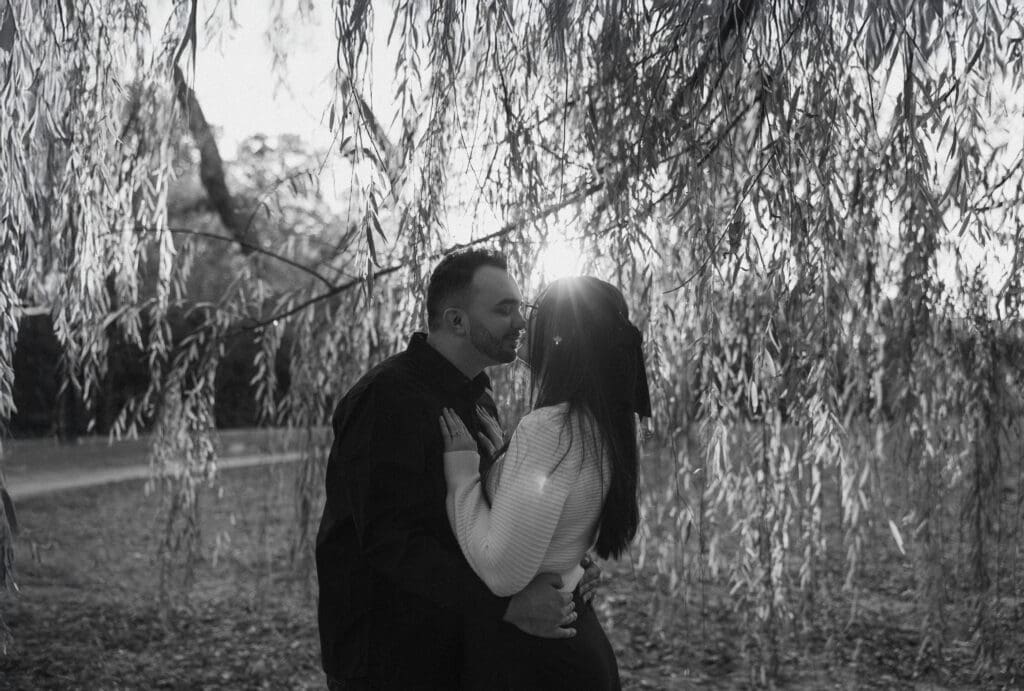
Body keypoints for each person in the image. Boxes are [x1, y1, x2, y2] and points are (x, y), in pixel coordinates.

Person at [315, 249, 599, 690]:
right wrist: (508, 607)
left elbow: (493, 510)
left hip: (461, 645)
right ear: (456, 321)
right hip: (391, 657)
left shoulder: (478, 397)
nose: (522, 323)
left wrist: (562, 563)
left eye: (520, 308)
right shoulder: (386, 398)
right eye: (505, 310)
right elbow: (392, 541)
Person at [439, 275, 652, 690]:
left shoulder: (551, 429)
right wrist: (506, 461)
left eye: (532, 321)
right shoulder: (606, 424)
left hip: (540, 660)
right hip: (577, 644)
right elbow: (562, 518)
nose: (522, 327)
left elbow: (502, 572)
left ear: (559, 341)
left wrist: (463, 474)